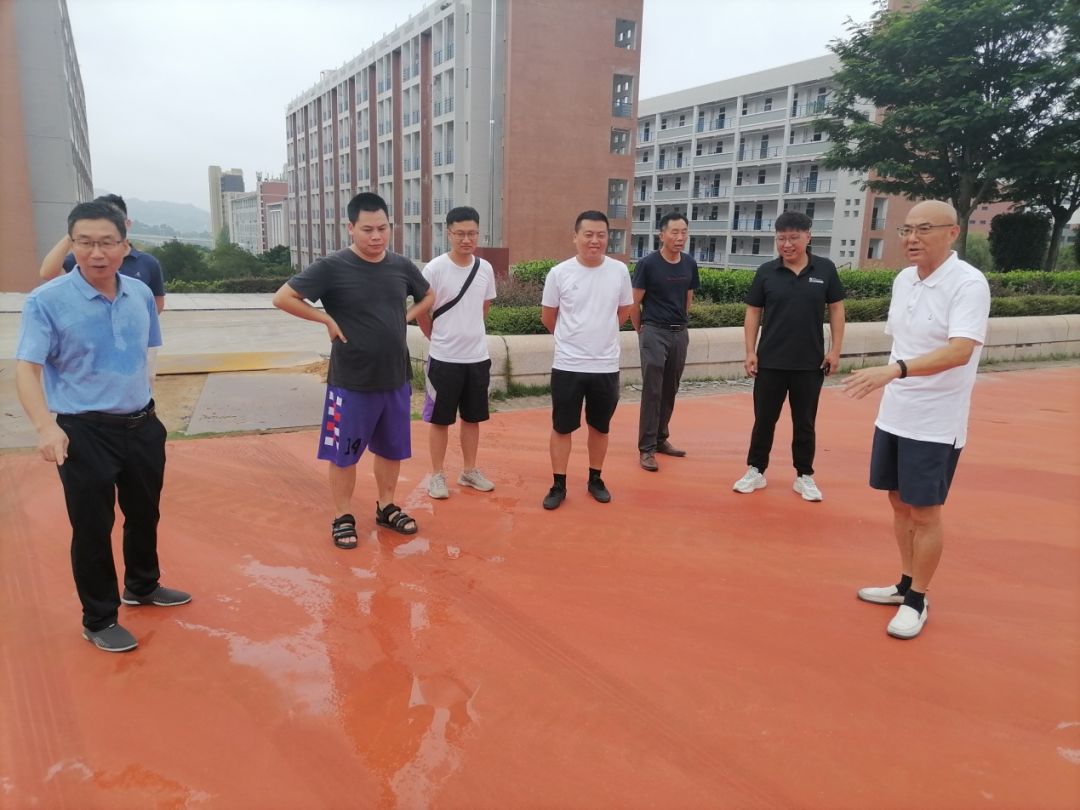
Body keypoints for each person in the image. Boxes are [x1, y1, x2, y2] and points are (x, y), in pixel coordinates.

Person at [15, 201, 190, 654]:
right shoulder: (46, 301)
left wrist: (150, 412)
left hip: (142, 425)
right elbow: (27, 369)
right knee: (93, 527)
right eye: (86, 242)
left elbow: (145, 356)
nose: (97, 253)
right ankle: (99, 618)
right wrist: (45, 428)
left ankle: (142, 585)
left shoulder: (139, 293)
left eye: (107, 242)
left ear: (125, 245)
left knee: (144, 513)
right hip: (83, 430)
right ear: (71, 245)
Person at [844, 200, 990, 640]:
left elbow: (959, 351)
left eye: (924, 229)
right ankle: (904, 584)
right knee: (897, 500)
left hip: (936, 420)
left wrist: (896, 371)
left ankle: (918, 600)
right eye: (906, 229)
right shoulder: (905, 279)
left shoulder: (968, 283)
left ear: (952, 232)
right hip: (895, 413)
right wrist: (894, 374)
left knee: (925, 512)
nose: (912, 238)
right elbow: (902, 342)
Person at [273, 192, 435, 548]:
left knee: (392, 449)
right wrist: (326, 319)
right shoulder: (332, 266)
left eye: (383, 228)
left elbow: (428, 295)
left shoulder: (401, 265)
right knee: (343, 453)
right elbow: (283, 297)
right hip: (350, 382)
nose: (376, 236)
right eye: (367, 229)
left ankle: (387, 506)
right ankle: (343, 515)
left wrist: (404, 317)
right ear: (350, 228)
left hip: (395, 377)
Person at [733, 211, 846, 501]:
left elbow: (836, 308)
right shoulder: (767, 271)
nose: (787, 244)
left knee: (805, 422)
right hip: (770, 361)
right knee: (764, 420)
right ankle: (756, 470)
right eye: (781, 238)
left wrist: (835, 350)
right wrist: (750, 351)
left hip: (810, 362)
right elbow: (753, 312)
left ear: (808, 237)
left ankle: (804, 475)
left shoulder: (825, 269)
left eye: (794, 238)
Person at [540, 211, 634, 510]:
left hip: (605, 365)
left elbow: (623, 312)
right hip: (568, 364)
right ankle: (559, 484)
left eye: (601, 235)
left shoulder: (619, 271)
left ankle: (596, 479)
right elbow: (548, 317)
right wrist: (572, 340)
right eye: (588, 234)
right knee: (562, 427)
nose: (595, 241)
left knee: (600, 426)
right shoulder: (559, 273)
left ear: (607, 237)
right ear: (575, 237)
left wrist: (601, 337)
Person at [414, 206, 498, 500]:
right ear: (448, 233)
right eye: (460, 233)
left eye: (472, 233)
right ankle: (437, 475)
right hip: (444, 359)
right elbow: (422, 312)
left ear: (478, 233)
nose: (466, 239)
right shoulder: (435, 269)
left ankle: (469, 471)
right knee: (440, 420)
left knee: (473, 418)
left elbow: (483, 308)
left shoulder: (485, 269)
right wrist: (436, 337)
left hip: (477, 357)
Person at [39, 193, 166, 386]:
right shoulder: (84, 259)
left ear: (127, 224)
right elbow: (47, 273)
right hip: (92, 341)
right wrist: (77, 233)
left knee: (140, 385)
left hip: (136, 341)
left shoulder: (147, 262)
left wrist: (131, 324)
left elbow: (156, 302)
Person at [629, 212, 699, 471]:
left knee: (670, 388)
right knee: (653, 390)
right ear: (662, 235)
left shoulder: (689, 263)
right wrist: (642, 330)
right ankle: (646, 448)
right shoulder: (648, 264)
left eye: (684, 232)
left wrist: (680, 323)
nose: (680, 237)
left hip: (680, 333)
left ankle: (661, 439)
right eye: (674, 232)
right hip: (653, 332)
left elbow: (688, 297)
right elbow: (633, 303)